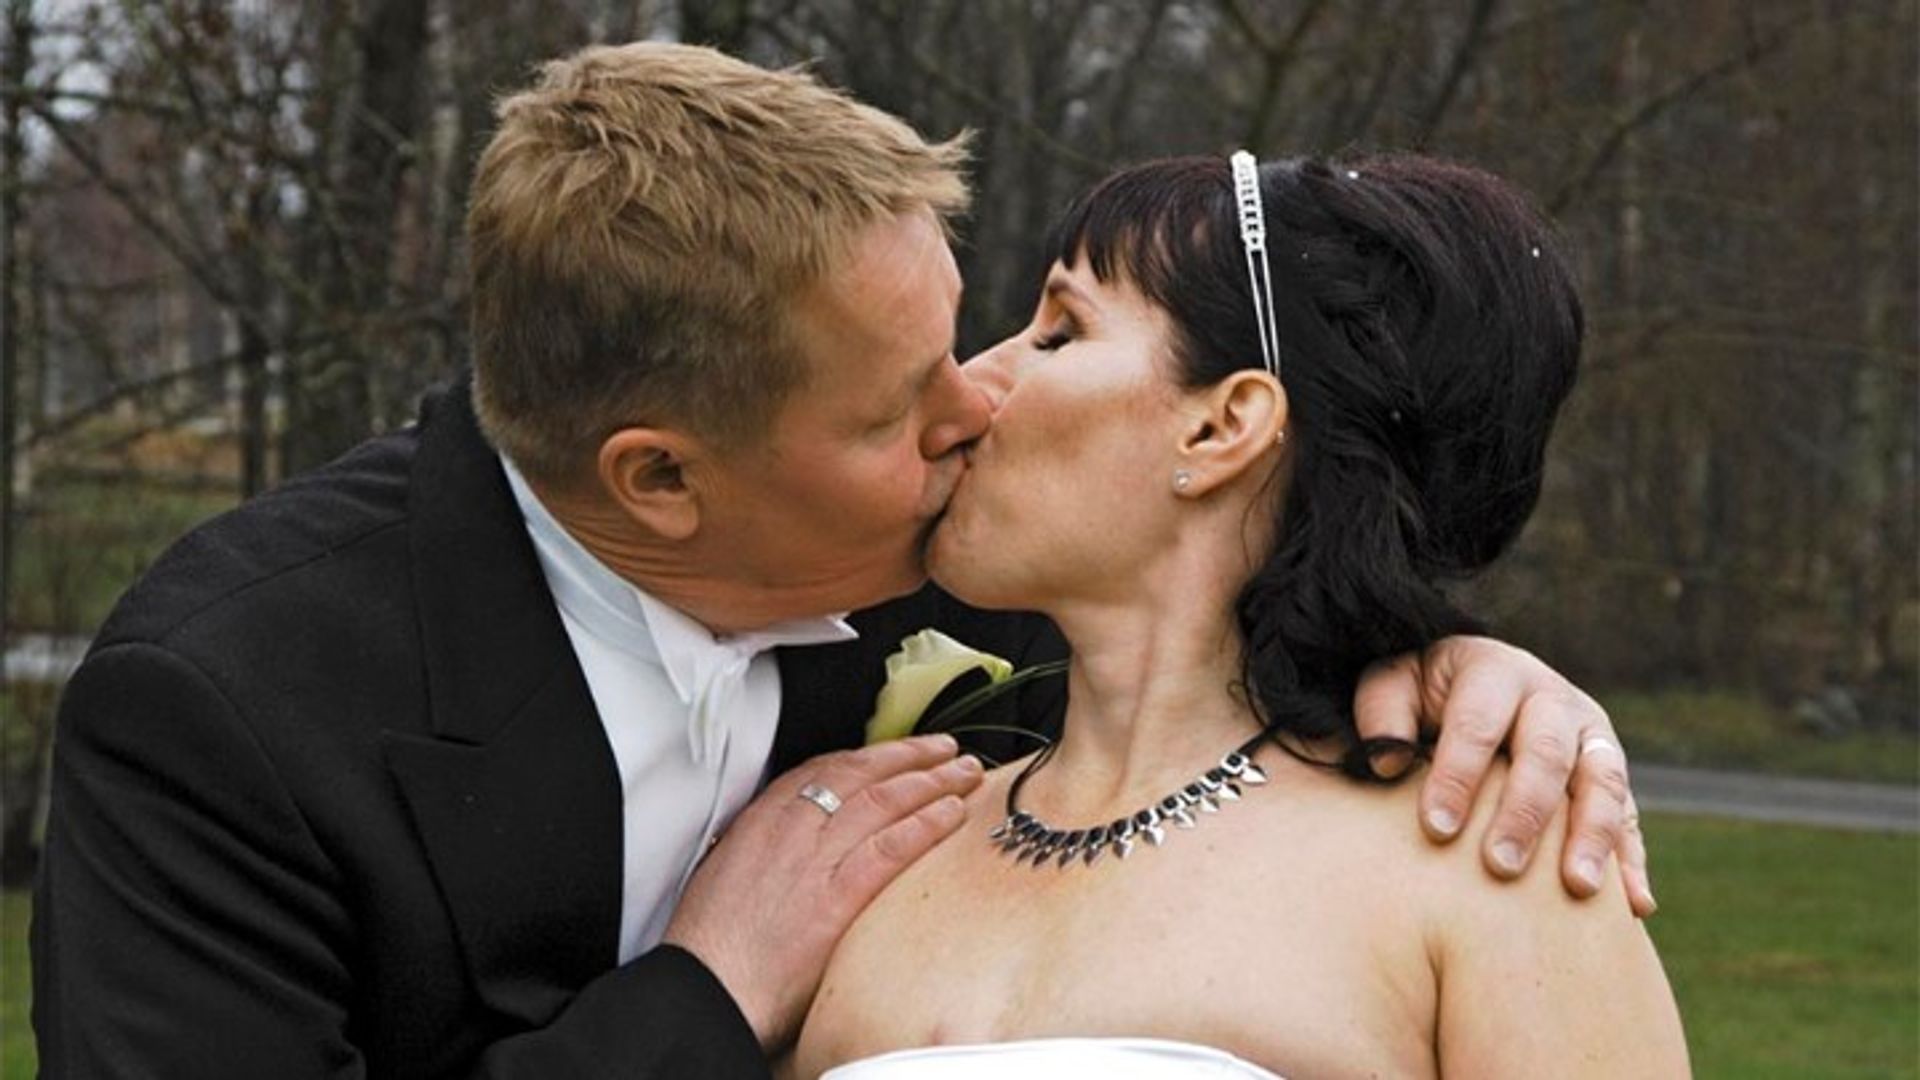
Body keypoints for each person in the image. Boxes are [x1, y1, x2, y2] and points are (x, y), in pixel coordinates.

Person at [33, 44, 1646, 1078]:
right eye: (897, 408)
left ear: (1226, 425)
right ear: (663, 478)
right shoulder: (229, 710)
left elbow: (1218, 627)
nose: (977, 404)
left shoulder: (1471, 843)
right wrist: (709, 988)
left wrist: (1450, 655)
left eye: (1029, 331)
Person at [790, 154, 1688, 1078]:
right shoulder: (873, 845)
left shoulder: (1487, 860)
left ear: (1224, 426)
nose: (974, 383)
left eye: (1059, 334)